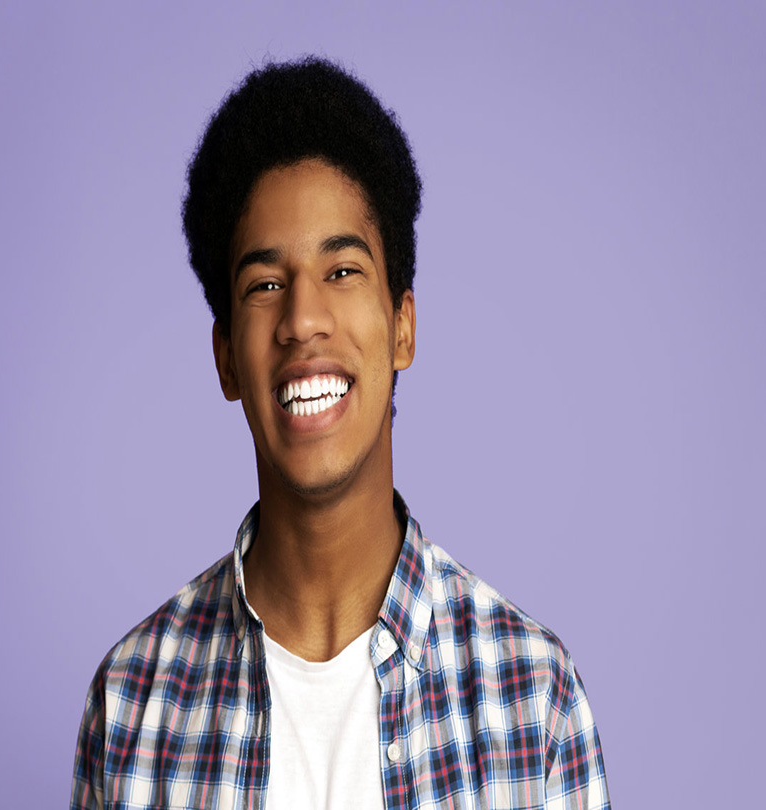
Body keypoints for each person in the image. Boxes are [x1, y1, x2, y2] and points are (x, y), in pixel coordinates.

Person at [70, 57, 611, 810]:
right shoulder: (134, 704)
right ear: (226, 357)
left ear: (402, 328)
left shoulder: (531, 698)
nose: (301, 320)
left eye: (343, 271)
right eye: (265, 285)